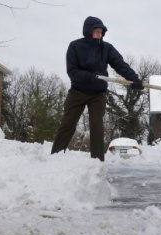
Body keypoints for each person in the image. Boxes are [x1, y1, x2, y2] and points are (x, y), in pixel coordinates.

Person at [51, 16, 143, 161]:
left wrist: (134, 79)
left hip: (98, 94)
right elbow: (72, 71)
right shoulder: (75, 46)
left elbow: (120, 65)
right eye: (96, 31)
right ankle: (55, 156)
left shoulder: (106, 48)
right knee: (68, 123)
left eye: (101, 32)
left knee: (97, 126)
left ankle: (97, 162)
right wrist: (89, 76)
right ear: (88, 31)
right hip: (78, 92)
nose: (99, 34)